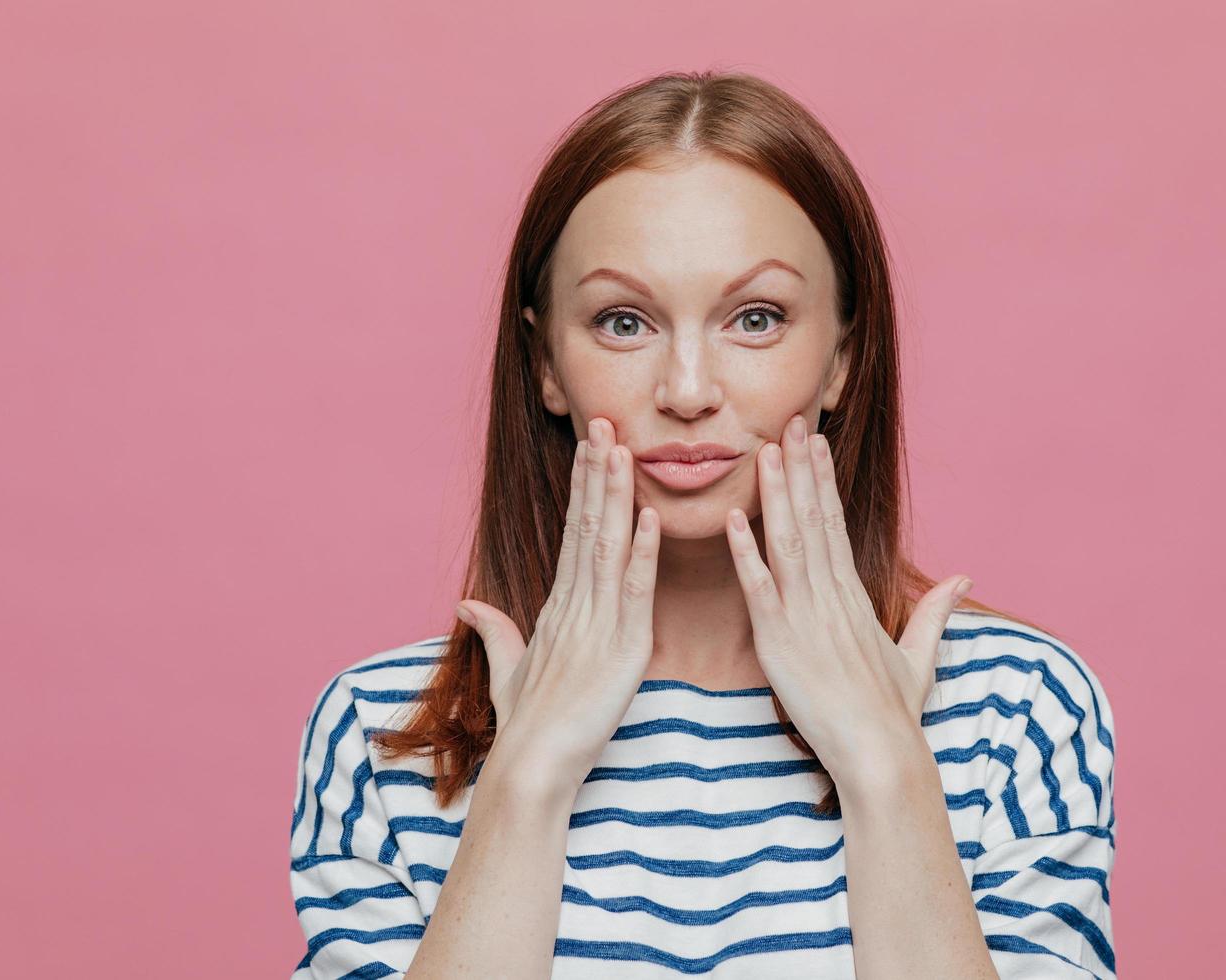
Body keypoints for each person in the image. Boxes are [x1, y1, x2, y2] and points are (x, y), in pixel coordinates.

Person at [287, 70, 1117, 979]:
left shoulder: (1013, 711)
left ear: (843, 358)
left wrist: (886, 770)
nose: (687, 392)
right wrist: (525, 782)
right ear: (545, 364)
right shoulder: (385, 731)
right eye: (622, 321)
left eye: (756, 319)